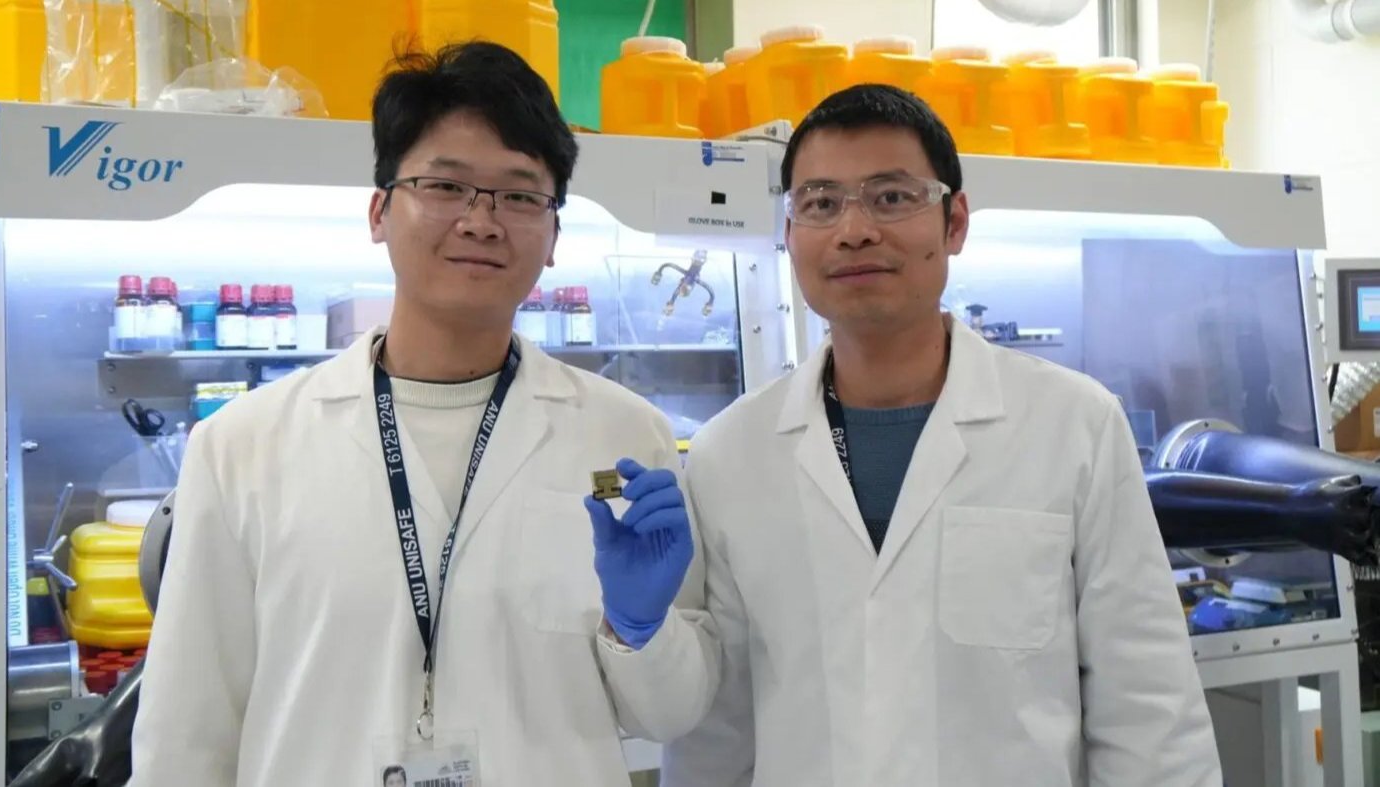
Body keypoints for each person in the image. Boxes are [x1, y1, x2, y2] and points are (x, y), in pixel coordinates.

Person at [130, 42, 716, 787]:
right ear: (380, 211)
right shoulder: (241, 447)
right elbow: (184, 735)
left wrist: (641, 628)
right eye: (446, 186)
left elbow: (673, 714)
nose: (481, 220)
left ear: (555, 233)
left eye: (519, 194)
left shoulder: (625, 438)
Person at [663, 84, 1223, 786]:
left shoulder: (1074, 425)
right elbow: (717, 731)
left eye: (892, 197)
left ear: (954, 222)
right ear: (788, 231)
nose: (855, 229)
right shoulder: (730, 454)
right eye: (821, 203)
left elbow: (1149, 707)